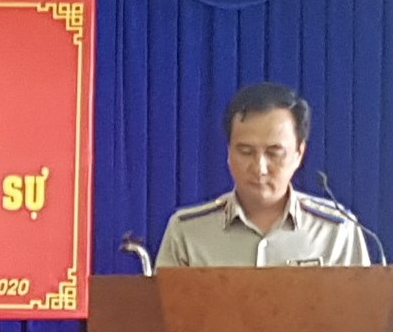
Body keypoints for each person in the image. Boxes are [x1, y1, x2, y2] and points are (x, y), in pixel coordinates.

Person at [154, 82, 370, 268]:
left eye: (274, 153)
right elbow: (164, 305)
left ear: (299, 153)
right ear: (229, 153)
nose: (259, 168)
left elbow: (361, 305)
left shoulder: (337, 231)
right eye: (246, 152)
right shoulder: (186, 232)